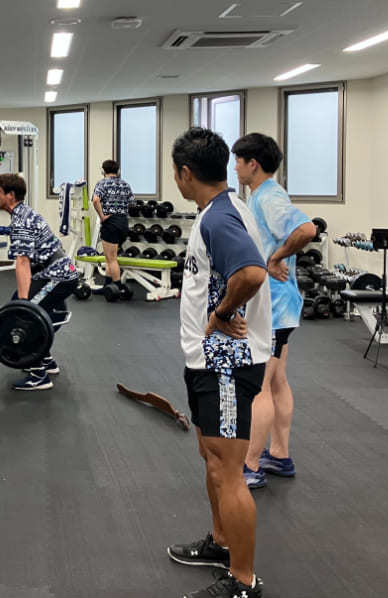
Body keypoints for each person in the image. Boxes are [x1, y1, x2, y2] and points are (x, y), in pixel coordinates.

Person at [166, 128, 270, 598]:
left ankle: (243, 581)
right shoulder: (219, 211)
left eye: (175, 172)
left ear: (186, 173)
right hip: (208, 360)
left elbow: (250, 273)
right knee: (212, 459)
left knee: (228, 470)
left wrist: (223, 313)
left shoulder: (220, 218)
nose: (175, 179)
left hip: (227, 362)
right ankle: (221, 542)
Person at [233, 133, 316, 489]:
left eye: (238, 161)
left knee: (260, 386)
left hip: (274, 306)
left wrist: (276, 257)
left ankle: (249, 465)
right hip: (279, 306)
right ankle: (279, 455)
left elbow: (306, 229)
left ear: (253, 164)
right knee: (278, 380)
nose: (235, 168)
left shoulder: (269, 196)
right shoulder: (260, 195)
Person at [0, 173, 78, 391]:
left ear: (10, 195)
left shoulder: (21, 220)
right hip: (55, 274)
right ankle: (46, 359)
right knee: (31, 308)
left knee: (23, 316)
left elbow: (22, 261)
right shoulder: (23, 213)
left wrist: (24, 304)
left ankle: (38, 374)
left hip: (58, 277)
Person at [91, 159, 133, 294]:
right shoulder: (125, 184)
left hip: (110, 223)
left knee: (111, 259)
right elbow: (131, 202)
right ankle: (107, 287)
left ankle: (118, 287)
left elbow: (95, 200)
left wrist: (102, 216)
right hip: (123, 223)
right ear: (118, 171)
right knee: (109, 258)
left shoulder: (102, 183)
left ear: (103, 171)